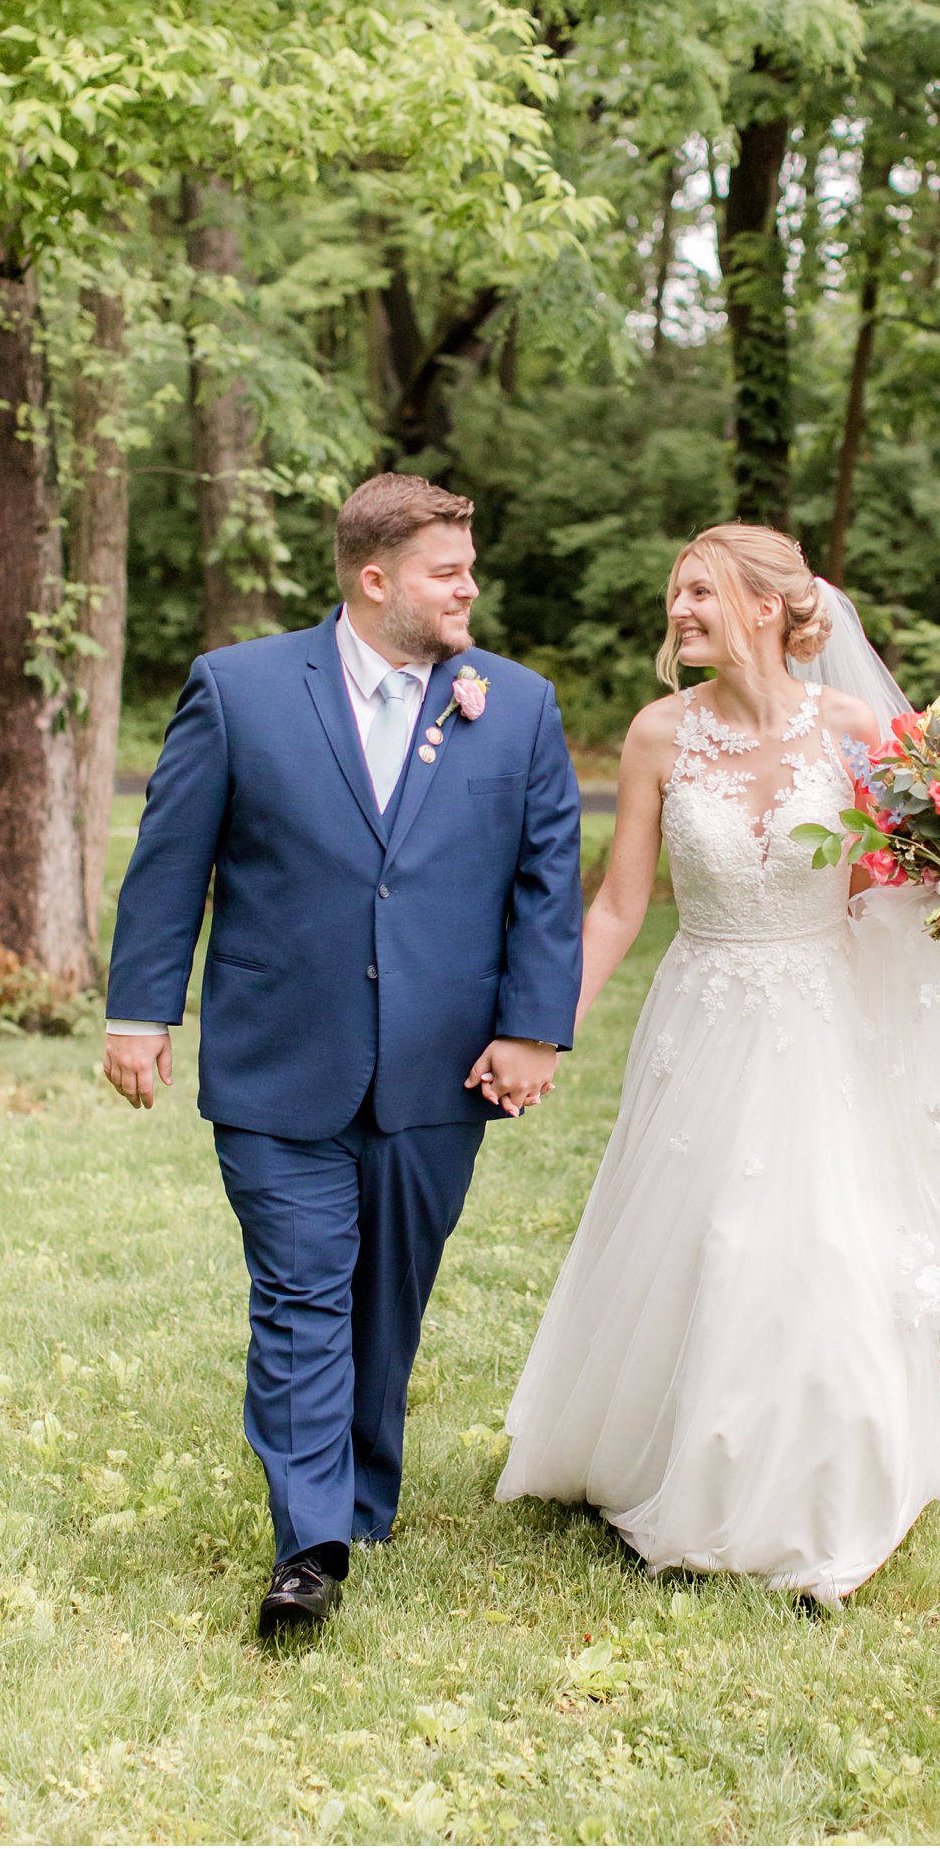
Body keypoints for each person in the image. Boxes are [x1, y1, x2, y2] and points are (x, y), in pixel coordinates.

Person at [497, 525, 940, 1607]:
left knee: (824, 1243)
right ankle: (677, 1465)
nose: (679, 612)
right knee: (706, 1236)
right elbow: (620, 904)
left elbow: (871, 892)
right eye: (675, 595)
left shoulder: (854, 728)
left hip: (823, 1019)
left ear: (768, 606)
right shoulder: (658, 735)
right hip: (704, 1015)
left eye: (700, 593)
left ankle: (830, 1491)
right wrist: (543, 1027)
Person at [103, 475, 582, 1637]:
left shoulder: (512, 704)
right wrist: (138, 1010)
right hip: (280, 1061)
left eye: (469, 566)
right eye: (445, 570)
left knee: (387, 1301)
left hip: (440, 1067)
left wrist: (531, 1026)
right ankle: (308, 1544)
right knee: (302, 1292)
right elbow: (174, 863)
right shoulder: (240, 688)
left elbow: (545, 877)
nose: (468, 586)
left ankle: (362, 1495)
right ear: (375, 580)